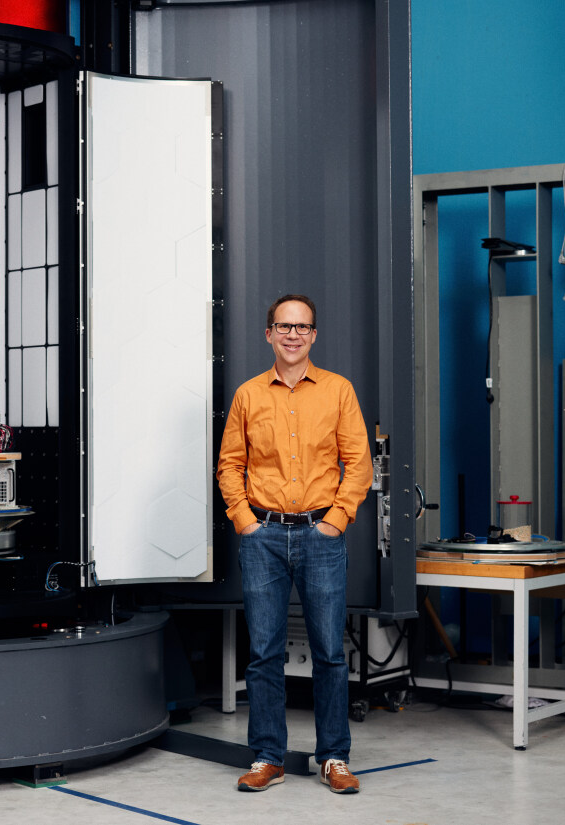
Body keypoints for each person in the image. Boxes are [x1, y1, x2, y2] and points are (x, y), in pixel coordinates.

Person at [216, 294, 372, 794]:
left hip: (320, 535)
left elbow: (359, 464)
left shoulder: (338, 391)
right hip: (262, 537)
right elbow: (230, 465)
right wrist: (244, 521)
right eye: (283, 326)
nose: (292, 335)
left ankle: (334, 758)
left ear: (314, 335)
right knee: (263, 652)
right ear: (269, 334)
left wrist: (336, 520)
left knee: (329, 651)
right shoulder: (247, 396)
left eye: (302, 327)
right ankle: (268, 756)